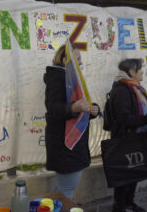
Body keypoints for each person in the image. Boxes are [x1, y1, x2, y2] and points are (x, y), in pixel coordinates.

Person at [43, 44, 99, 200]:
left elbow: (82, 106)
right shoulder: (59, 77)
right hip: (65, 147)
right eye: (78, 59)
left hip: (72, 147)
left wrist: (93, 109)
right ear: (65, 59)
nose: (81, 62)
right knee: (66, 190)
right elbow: (54, 110)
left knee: (62, 189)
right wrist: (75, 107)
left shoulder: (71, 78)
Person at [109, 58, 147, 212]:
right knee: (125, 175)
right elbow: (125, 119)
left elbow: (138, 113)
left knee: (134, 172)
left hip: (137, 137)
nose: (142, 72)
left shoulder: (135, 88)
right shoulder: (121, 90)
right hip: (125, 138)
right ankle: (119, 206)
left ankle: (129, 203)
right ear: (131, 72)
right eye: (140, 69)